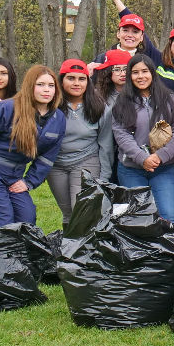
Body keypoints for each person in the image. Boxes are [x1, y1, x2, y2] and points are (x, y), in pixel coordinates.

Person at [113, 55, 174, 223]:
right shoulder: (122, 102)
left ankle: (170, 250)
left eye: (145, 71)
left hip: (163, 168)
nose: (140, 76)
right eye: (135, 72)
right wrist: (142, 158)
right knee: (137, 220)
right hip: (131, 169)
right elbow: (121, 134)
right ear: (130, 76)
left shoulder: (170, 99)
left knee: (169, 218)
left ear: (152, 73)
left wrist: (160, 156)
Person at [0, 65, 66, 226]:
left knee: (27, 218)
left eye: (51, 85)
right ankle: (3, 251)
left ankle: (20, 251)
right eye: (40, 84)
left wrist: (28, 182)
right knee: (3, 221)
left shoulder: (58, 118)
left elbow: (47, 158)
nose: (46, 90)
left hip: (15, 176)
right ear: (29, 86)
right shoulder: (7, 108)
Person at [48, 60, 114, 226]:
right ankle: (70, 249)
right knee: (68, 214)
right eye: (71, 78)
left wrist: (104, 176)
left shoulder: (99, 107)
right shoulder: (50, 106)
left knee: (81, 210)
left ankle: (87, 250)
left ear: (88, 81)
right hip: (57, 165)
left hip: (86, 161)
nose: (76, 83)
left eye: (81, 78)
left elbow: (106, 144)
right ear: (61, 80)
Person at [95, 0, 164, 63]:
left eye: (135, 32)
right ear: (118, 34)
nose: (130, 35)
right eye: (125, 30)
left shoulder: (148, 59)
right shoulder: (103, 59)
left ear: (142, 37)